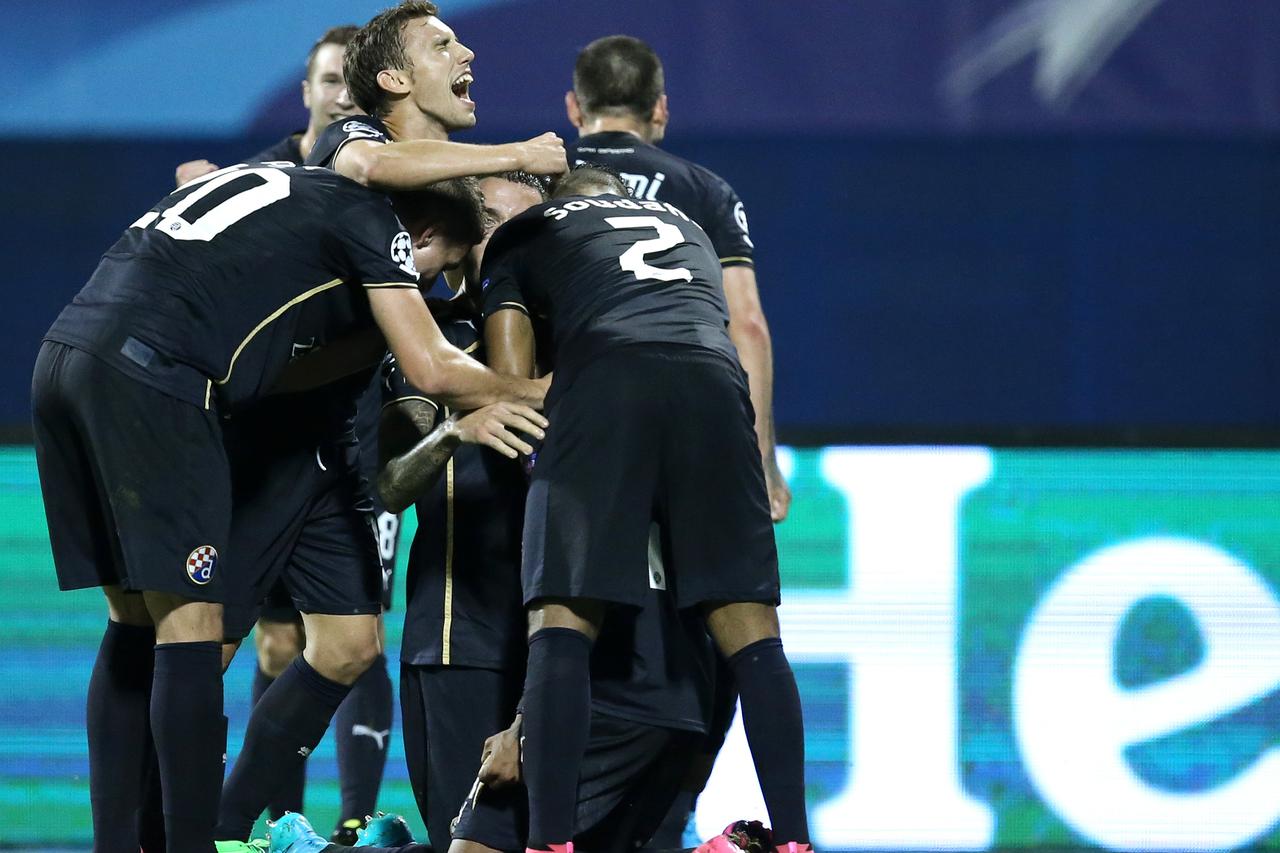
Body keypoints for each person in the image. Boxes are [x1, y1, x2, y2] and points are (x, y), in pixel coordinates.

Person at [33, 161, 546, 853]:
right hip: (216, 417)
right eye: (455, 256)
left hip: (301, 443)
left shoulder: (317, 184)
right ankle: (167, 838)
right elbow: (418, 375)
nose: (442, 279)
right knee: (188, 634)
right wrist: (554, 390)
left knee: (347, 644)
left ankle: (219, 822)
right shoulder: (369, 195)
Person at [479, 166, 811, 853]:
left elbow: (511, 389)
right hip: (717, 386)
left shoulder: (527, 229)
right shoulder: (685, 226)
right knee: (754, 638)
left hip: (607, 376)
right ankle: (795, 841)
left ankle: (548, 842)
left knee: (561, 627)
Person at [174, 25, 400, 842]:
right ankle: (247, 819)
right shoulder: (262, 181)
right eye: (329, 79)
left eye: (353, 82)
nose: (341, 94)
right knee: (258, 641)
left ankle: (353, 819)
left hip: (354, 444)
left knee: (355, 634)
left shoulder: (380, 182)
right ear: (305, 89)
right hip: (262, 447)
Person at [565, 35, 789, 525]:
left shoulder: (539, 179)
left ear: (573, 108)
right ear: (661, 109)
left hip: (575, 421)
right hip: (690, 415)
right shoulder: (706, 191)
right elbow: (746, 324)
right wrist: (763, 461)